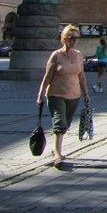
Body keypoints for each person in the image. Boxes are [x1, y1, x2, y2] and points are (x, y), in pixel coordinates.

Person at [36, 25, 90, 168]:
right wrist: (40, 94)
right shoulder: (56, 55)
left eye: (76, 38)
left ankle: (55, 147)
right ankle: (58, 154)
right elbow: (47, 77)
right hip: (56, 94)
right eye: (71, 38)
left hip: (74, 95)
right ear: (64, 39)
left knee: (66, 123)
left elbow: (81, 76)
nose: (74, 40)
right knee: (59, 122)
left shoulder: (78, 55)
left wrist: (86, 93)